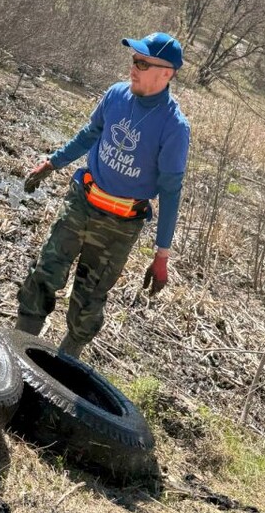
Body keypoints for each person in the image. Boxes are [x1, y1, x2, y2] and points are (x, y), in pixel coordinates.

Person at [15, 32, 190, 358]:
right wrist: (52, 163)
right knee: (43, 276)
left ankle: (61, 376)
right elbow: (90, 134)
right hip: (82, 202)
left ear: (166, 73)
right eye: (133, 60)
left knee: (88, 302)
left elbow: (170, 192)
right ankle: (15, 356)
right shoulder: (116, 95)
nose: (132, 68)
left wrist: (161, 256)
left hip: (119, 227)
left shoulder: (174, 127)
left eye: (142, 62)